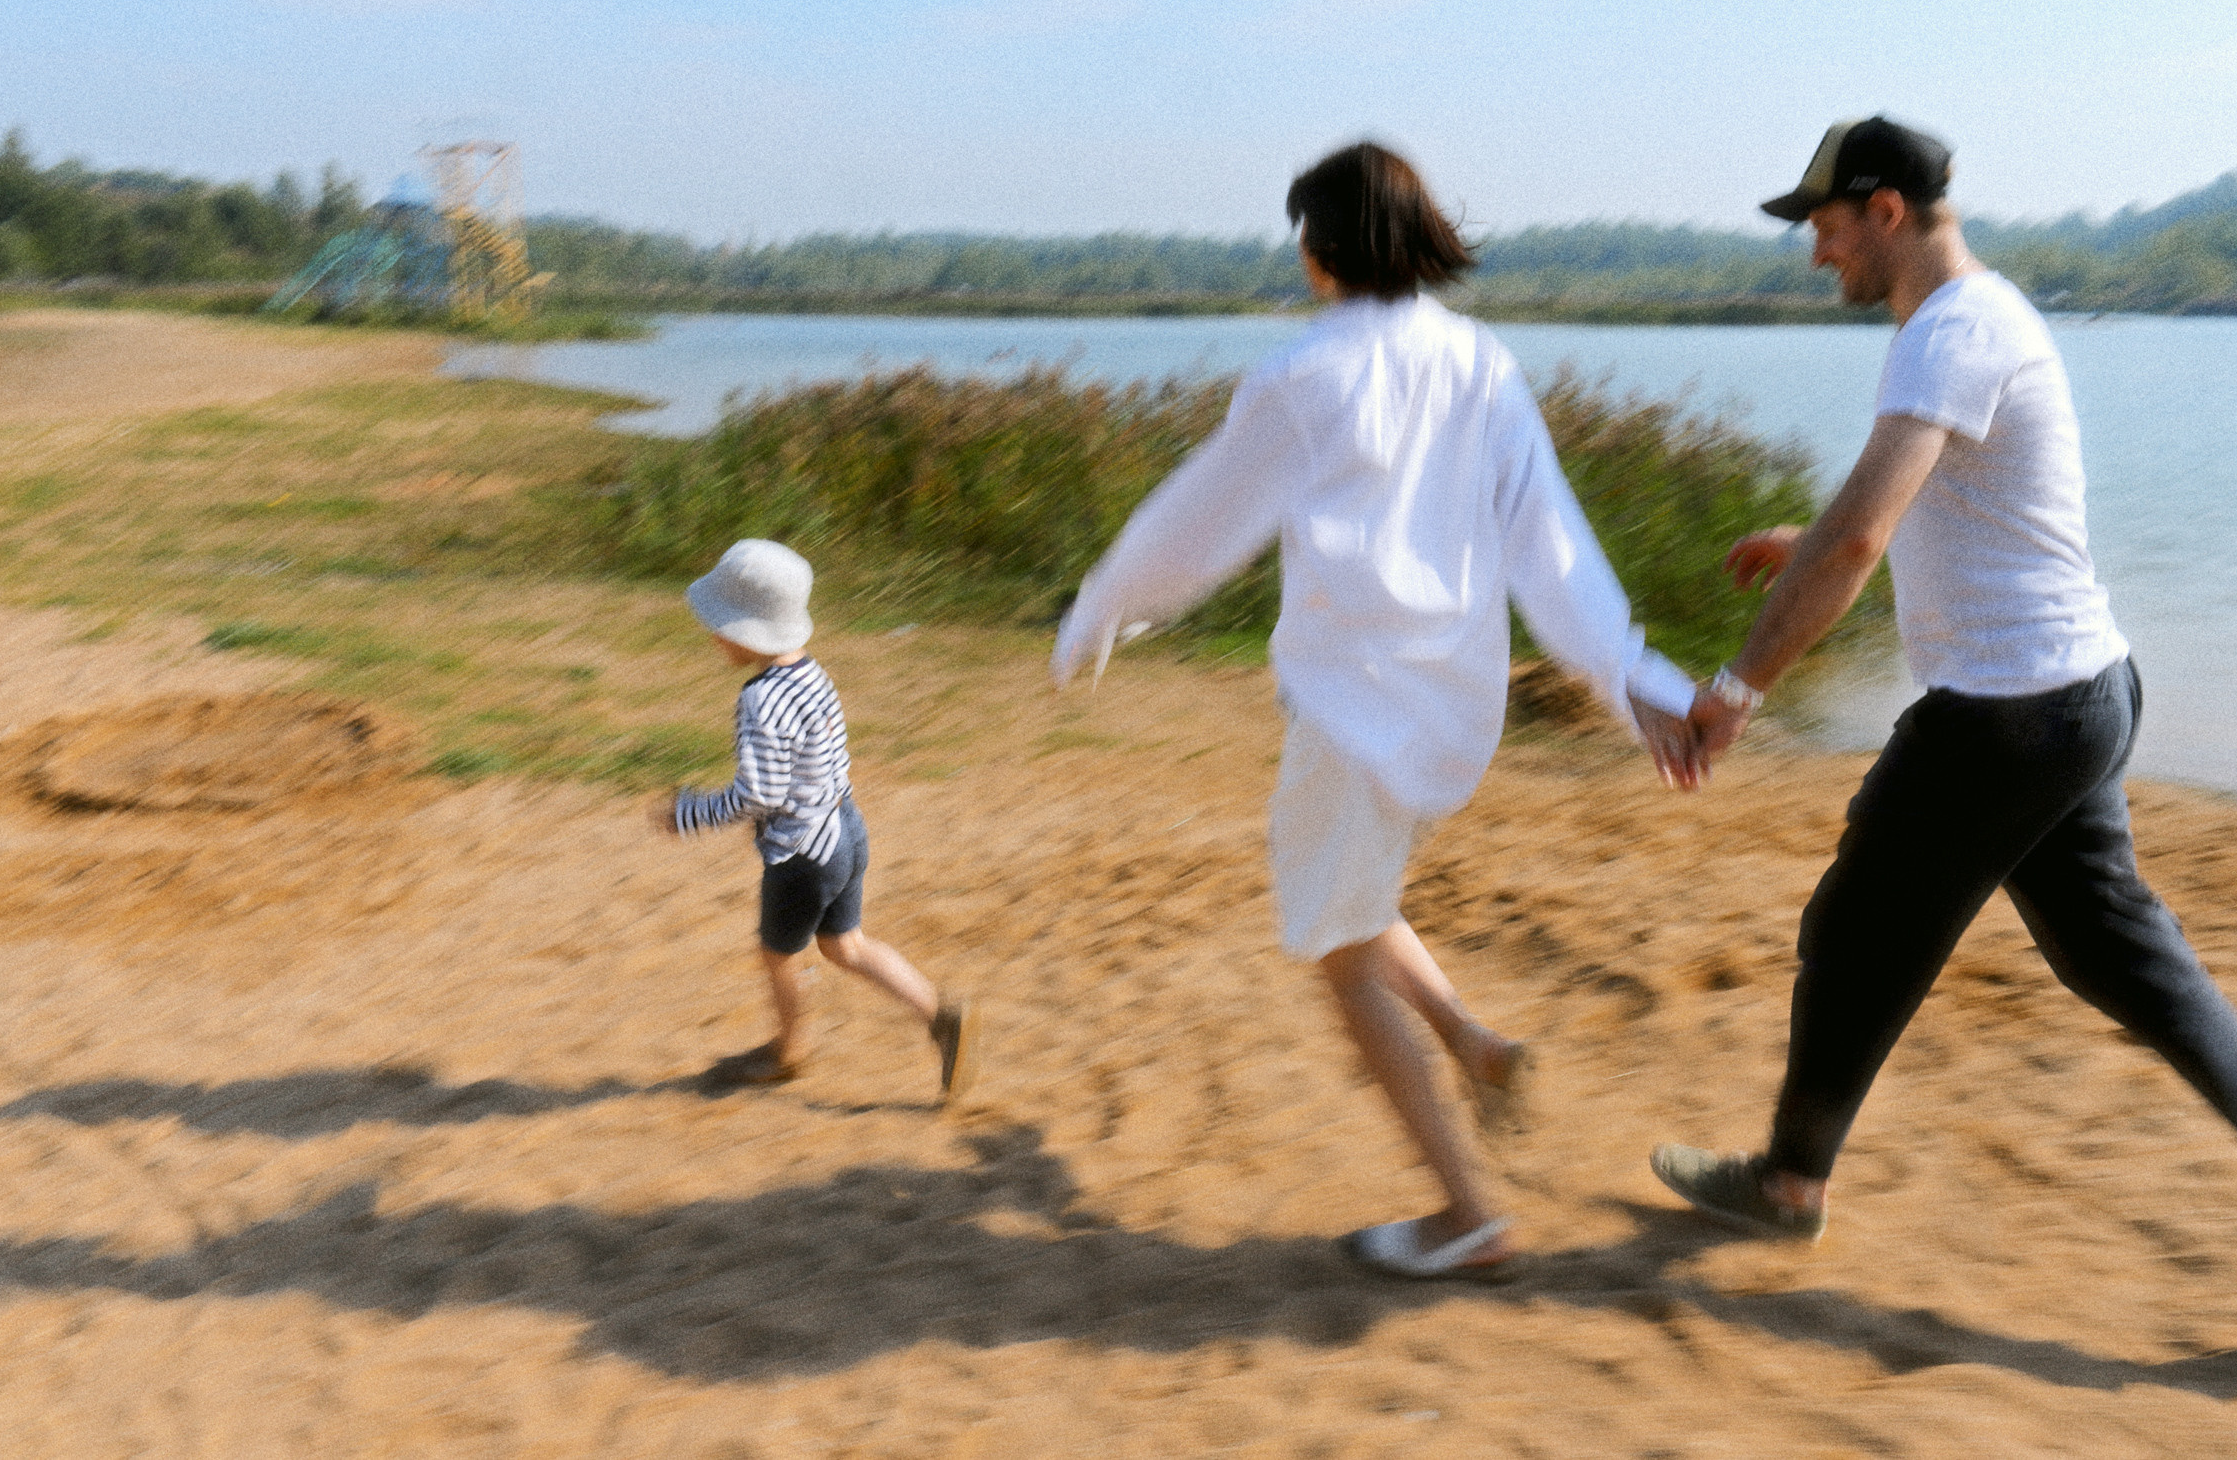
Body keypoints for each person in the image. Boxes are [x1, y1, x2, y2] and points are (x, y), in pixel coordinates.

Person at [1648, 115, 2237, 1358]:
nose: (1816, 256)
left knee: (1852, 933)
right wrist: (1797, 546)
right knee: (2122, 961)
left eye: (1825, 226)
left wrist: (1737, 688)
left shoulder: (1950, 331)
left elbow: (1864, 536)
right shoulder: (1975, 320)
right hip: (2084, 693)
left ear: (1886, 211)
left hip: (2008, 717)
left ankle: (1788, 1185)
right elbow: (1900, 507)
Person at [1054, 142, 1703, 1279]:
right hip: (1452, 701)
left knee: (1334, 948)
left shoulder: (1305, 376)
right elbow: (1548, 540)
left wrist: (1101, 608)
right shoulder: (1479, 362)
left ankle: (1467, 1214)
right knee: (1350, 902)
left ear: (1320, 254)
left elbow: (1192, 522)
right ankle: (1474, 1043)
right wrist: (1627, 671)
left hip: (1355, 705)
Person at [657, 538, 979, 1102]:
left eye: (720, 624)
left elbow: (758, 794)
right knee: (846, 946)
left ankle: (790, 1050)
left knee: (776, 954)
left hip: (801, 855)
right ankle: (940, 1015)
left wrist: (689, 813)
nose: (713, 635)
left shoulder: (760, 699)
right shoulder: (812, 675)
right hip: (845, 831)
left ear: (748, 631)